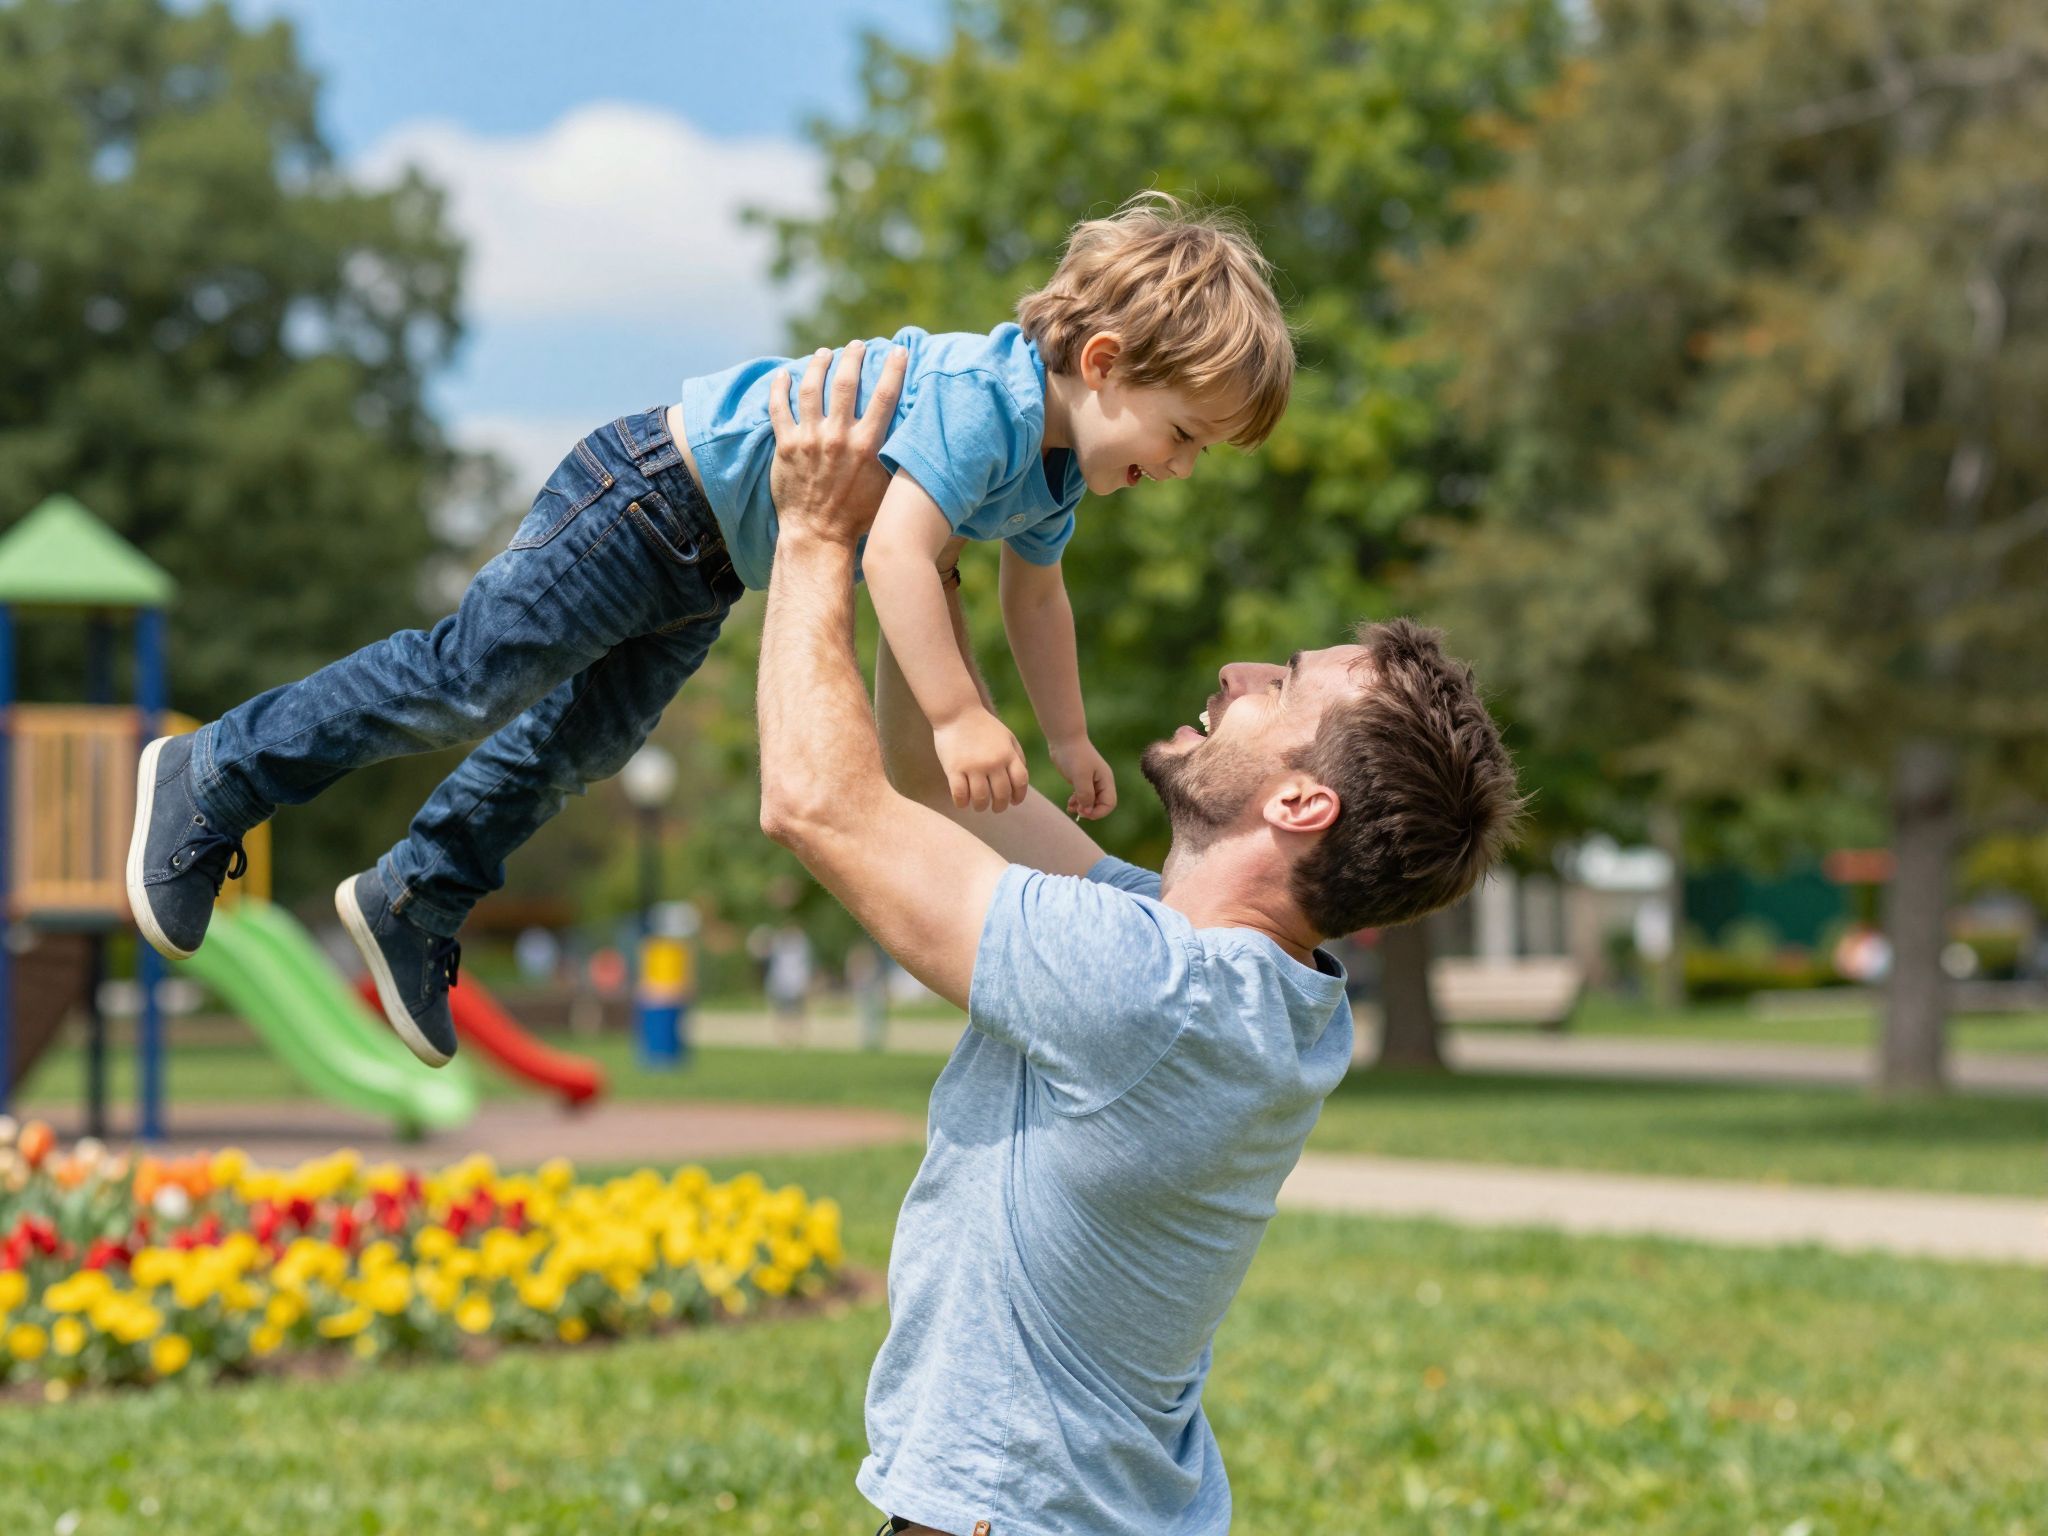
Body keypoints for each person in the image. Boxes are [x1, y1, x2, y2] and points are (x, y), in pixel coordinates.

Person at [125, 193, 1293, 1068]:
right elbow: (893, 554)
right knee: (473, 676)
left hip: (718, 561)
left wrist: (1070, 736)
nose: (1181, 468)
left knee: (581, 747)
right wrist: (955, 714)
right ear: (1102, 363)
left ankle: (417, 894)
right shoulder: (984, 405)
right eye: (1183, 434)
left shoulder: (1052, 478)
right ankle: (216, 772)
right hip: (647, 494)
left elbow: (1032, 596)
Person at [755, 350, 1522, 1533]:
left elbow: (818, 800)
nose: (1236, 672)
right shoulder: (1245, 988)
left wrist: (814, 536)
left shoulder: (1146, 992)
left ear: (1299, 804)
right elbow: (928, 786)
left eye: (1282, 687)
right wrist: (931, 545)